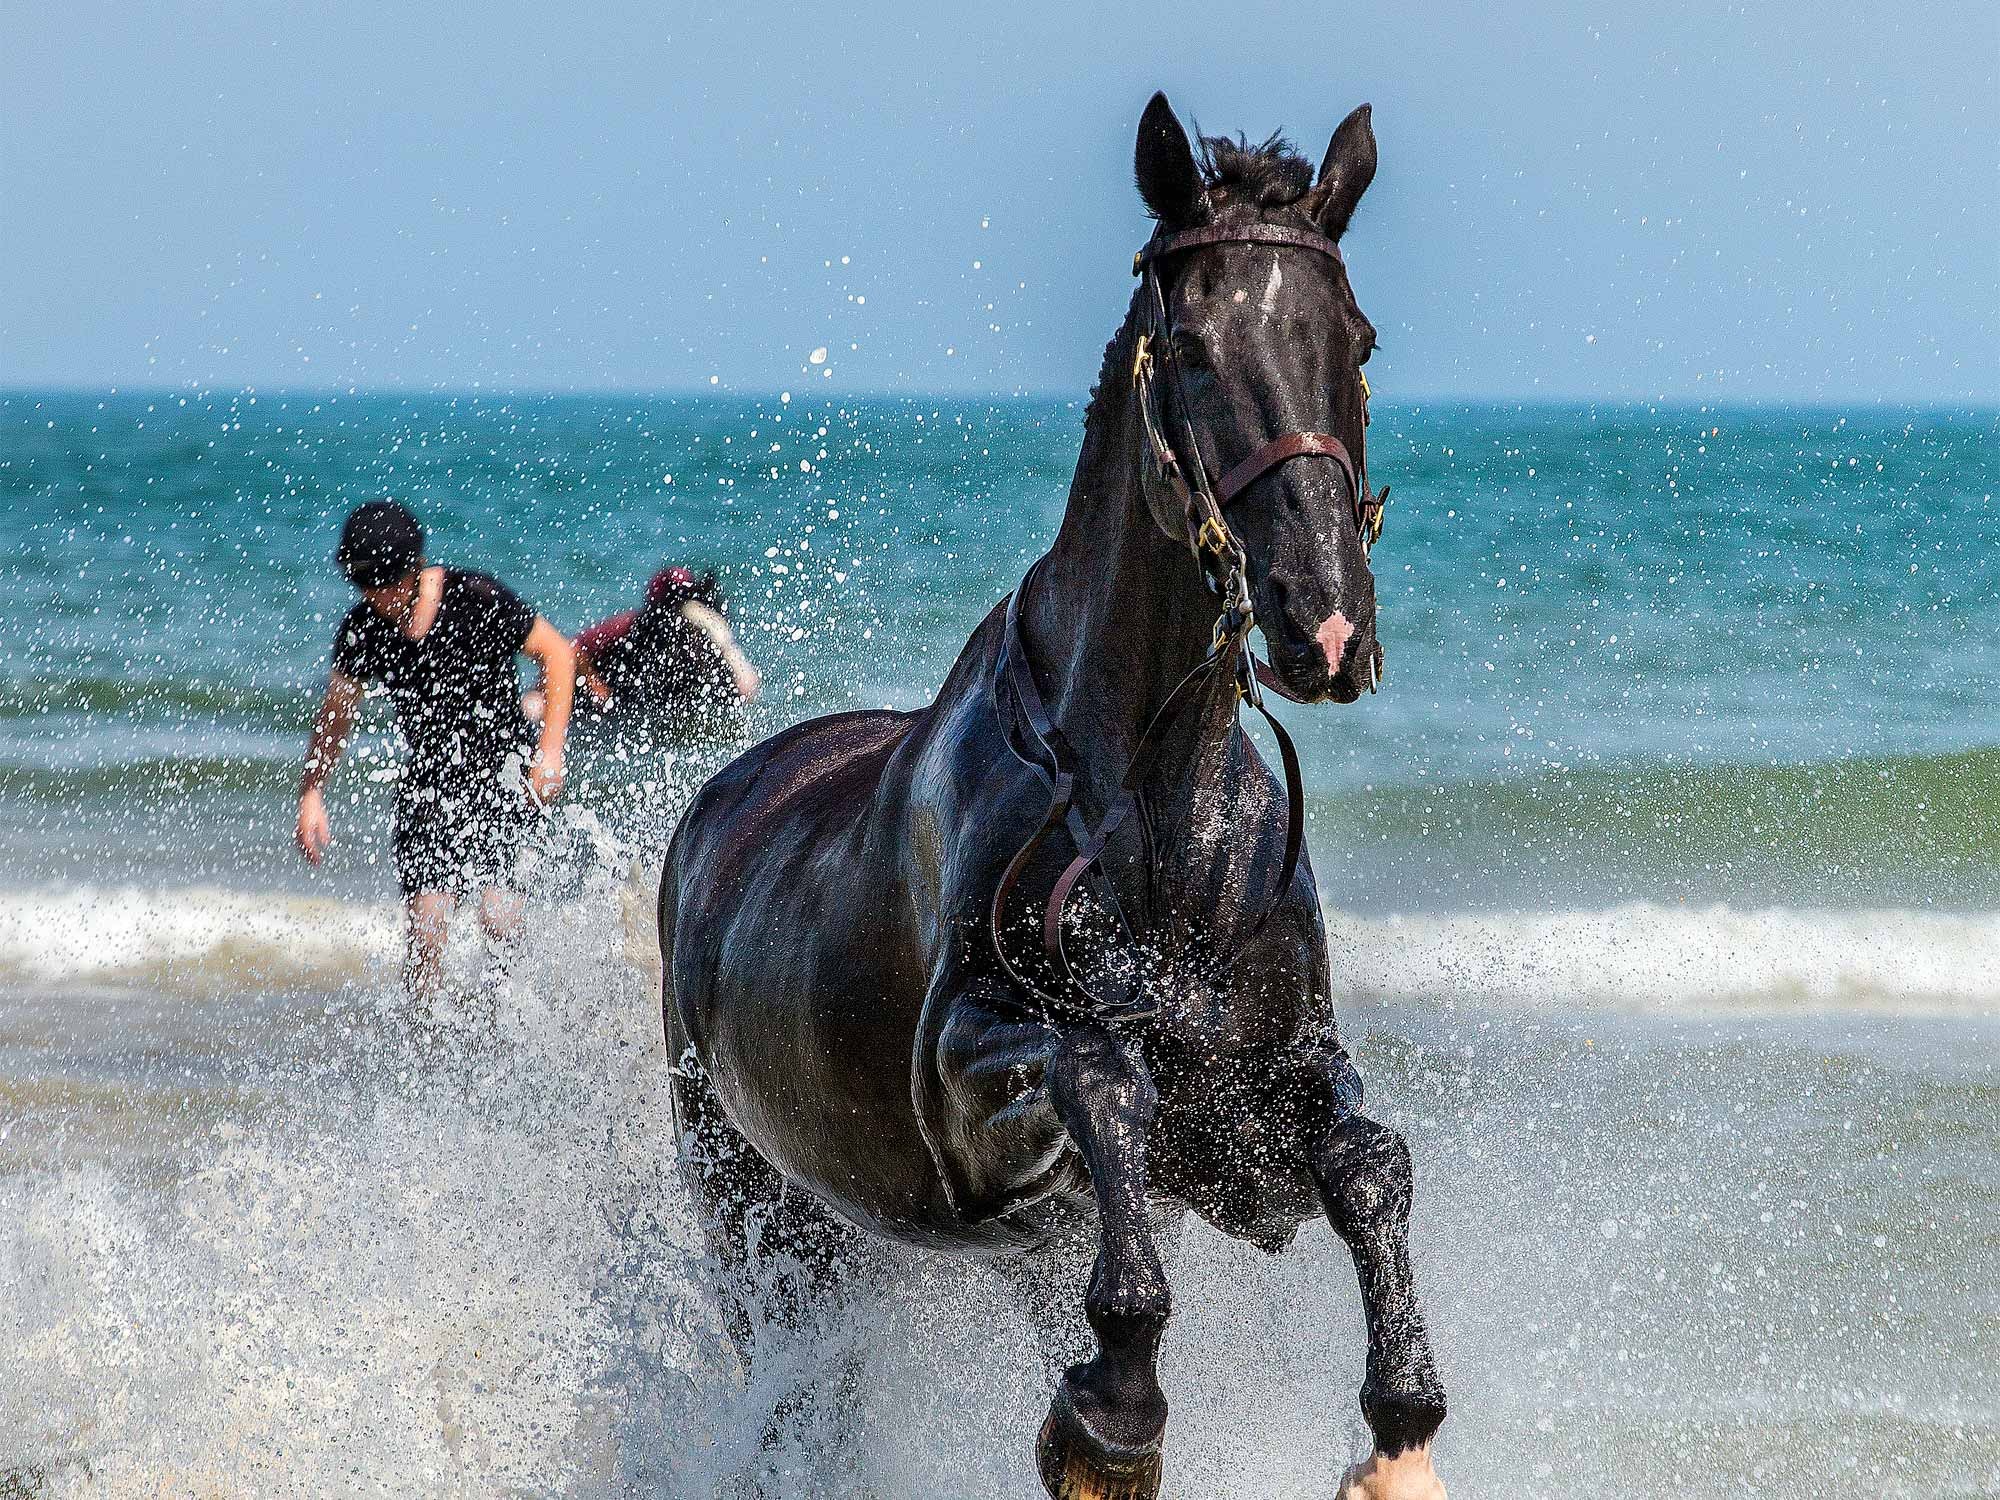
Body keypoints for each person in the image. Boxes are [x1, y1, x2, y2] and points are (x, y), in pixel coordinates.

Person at [294, 500, 576, 1004]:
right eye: (363, 585)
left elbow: (557, 653)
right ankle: (427, 1051)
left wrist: (550, 750)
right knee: (426, 936)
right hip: (427, 784)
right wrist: (312, 790)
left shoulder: (476, 597)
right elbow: (337, 712)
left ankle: (511, 1033)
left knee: (500, 923)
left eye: (385, 582)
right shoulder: (363, 630)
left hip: (504, 775)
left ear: (413, 567)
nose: (376, 596)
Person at [524, 565, 759, 741]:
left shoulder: (702, 624)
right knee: (534, 707)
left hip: (642, 698)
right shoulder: (626, 627)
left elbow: (743, 678)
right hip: (585, 689)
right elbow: (570, 650)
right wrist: (594, 684)